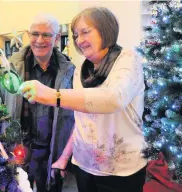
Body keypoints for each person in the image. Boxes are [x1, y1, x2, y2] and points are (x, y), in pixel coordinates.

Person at [19, 7, 147, 192]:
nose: (79, 40)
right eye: (76, 35)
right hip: (84, 166)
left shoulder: (127, 60)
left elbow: (113, 99)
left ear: (106, 30)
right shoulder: (81, 70)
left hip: (121, 171)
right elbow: (80, 122)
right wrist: (64, 158)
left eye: (85, 32)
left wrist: (53, 96)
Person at [0, 14, 75, 192]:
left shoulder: (69, 72)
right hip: (17, 149)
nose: (40, 40)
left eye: (47, 35)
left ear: (56, 38)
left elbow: (76, 116)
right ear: (28, 35)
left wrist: (64, 157)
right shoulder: (11, 69)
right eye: (35, 34)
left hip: (51, 151)